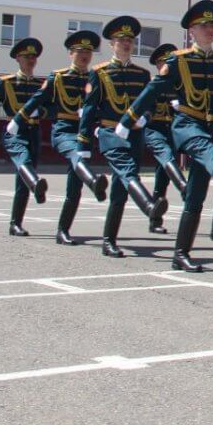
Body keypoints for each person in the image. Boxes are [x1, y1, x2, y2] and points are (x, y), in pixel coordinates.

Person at [119, 1, 213, 272]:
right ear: (191, 32)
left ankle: (181, 253)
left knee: (196, 196)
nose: (209, 30)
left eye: (212, 26)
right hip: (187, 126)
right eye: (203, 26)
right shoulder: (179, 60)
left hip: (212, 128)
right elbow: (152, 90)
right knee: (208, 153)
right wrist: (128, 119)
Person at [79, 17, 167, 257]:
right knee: (128, 172)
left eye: (130, 40)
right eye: (121, 40)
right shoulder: (100, 73)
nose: (126, 44)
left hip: (134, 135)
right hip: (110, 132)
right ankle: (149, 206)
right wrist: (83, 142)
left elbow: (151, 105)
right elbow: (89, 108)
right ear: (112, 44)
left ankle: (109, 240)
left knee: (120, 189)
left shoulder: (142, 74)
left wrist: (144, 118)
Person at [12, 30, 110, 244]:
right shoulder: (58, 77)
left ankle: (63, 230)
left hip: (84, 134)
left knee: (74, 187)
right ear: (71, 53)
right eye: (79, 51)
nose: (84, 55)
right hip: (64, 131)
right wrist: (20, 119)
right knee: (77, 156)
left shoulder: (97, 78)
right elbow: (38, 101)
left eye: (88, 51)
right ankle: (93, 181)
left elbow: (104, 106)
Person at [0, 38, 50, 235]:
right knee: (23, 161)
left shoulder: (42, 85)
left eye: (34, 56)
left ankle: (15, 223)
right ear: (18, 58)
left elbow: (52, 109)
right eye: (27, 56)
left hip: (34, 132)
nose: (31, 59)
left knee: (23, 181)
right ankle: (37, 184)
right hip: (13, 131)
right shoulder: (5, 82)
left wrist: (41, 113)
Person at [141, 43, 186, 234]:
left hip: (171, 131)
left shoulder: (179, 85)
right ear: (158, 65)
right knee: (166, 155)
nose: (168, 66)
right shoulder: (152, 83)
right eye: (164, 62)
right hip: (153, 129)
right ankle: (183, 186)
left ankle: (155, 219)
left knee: (162, 176)